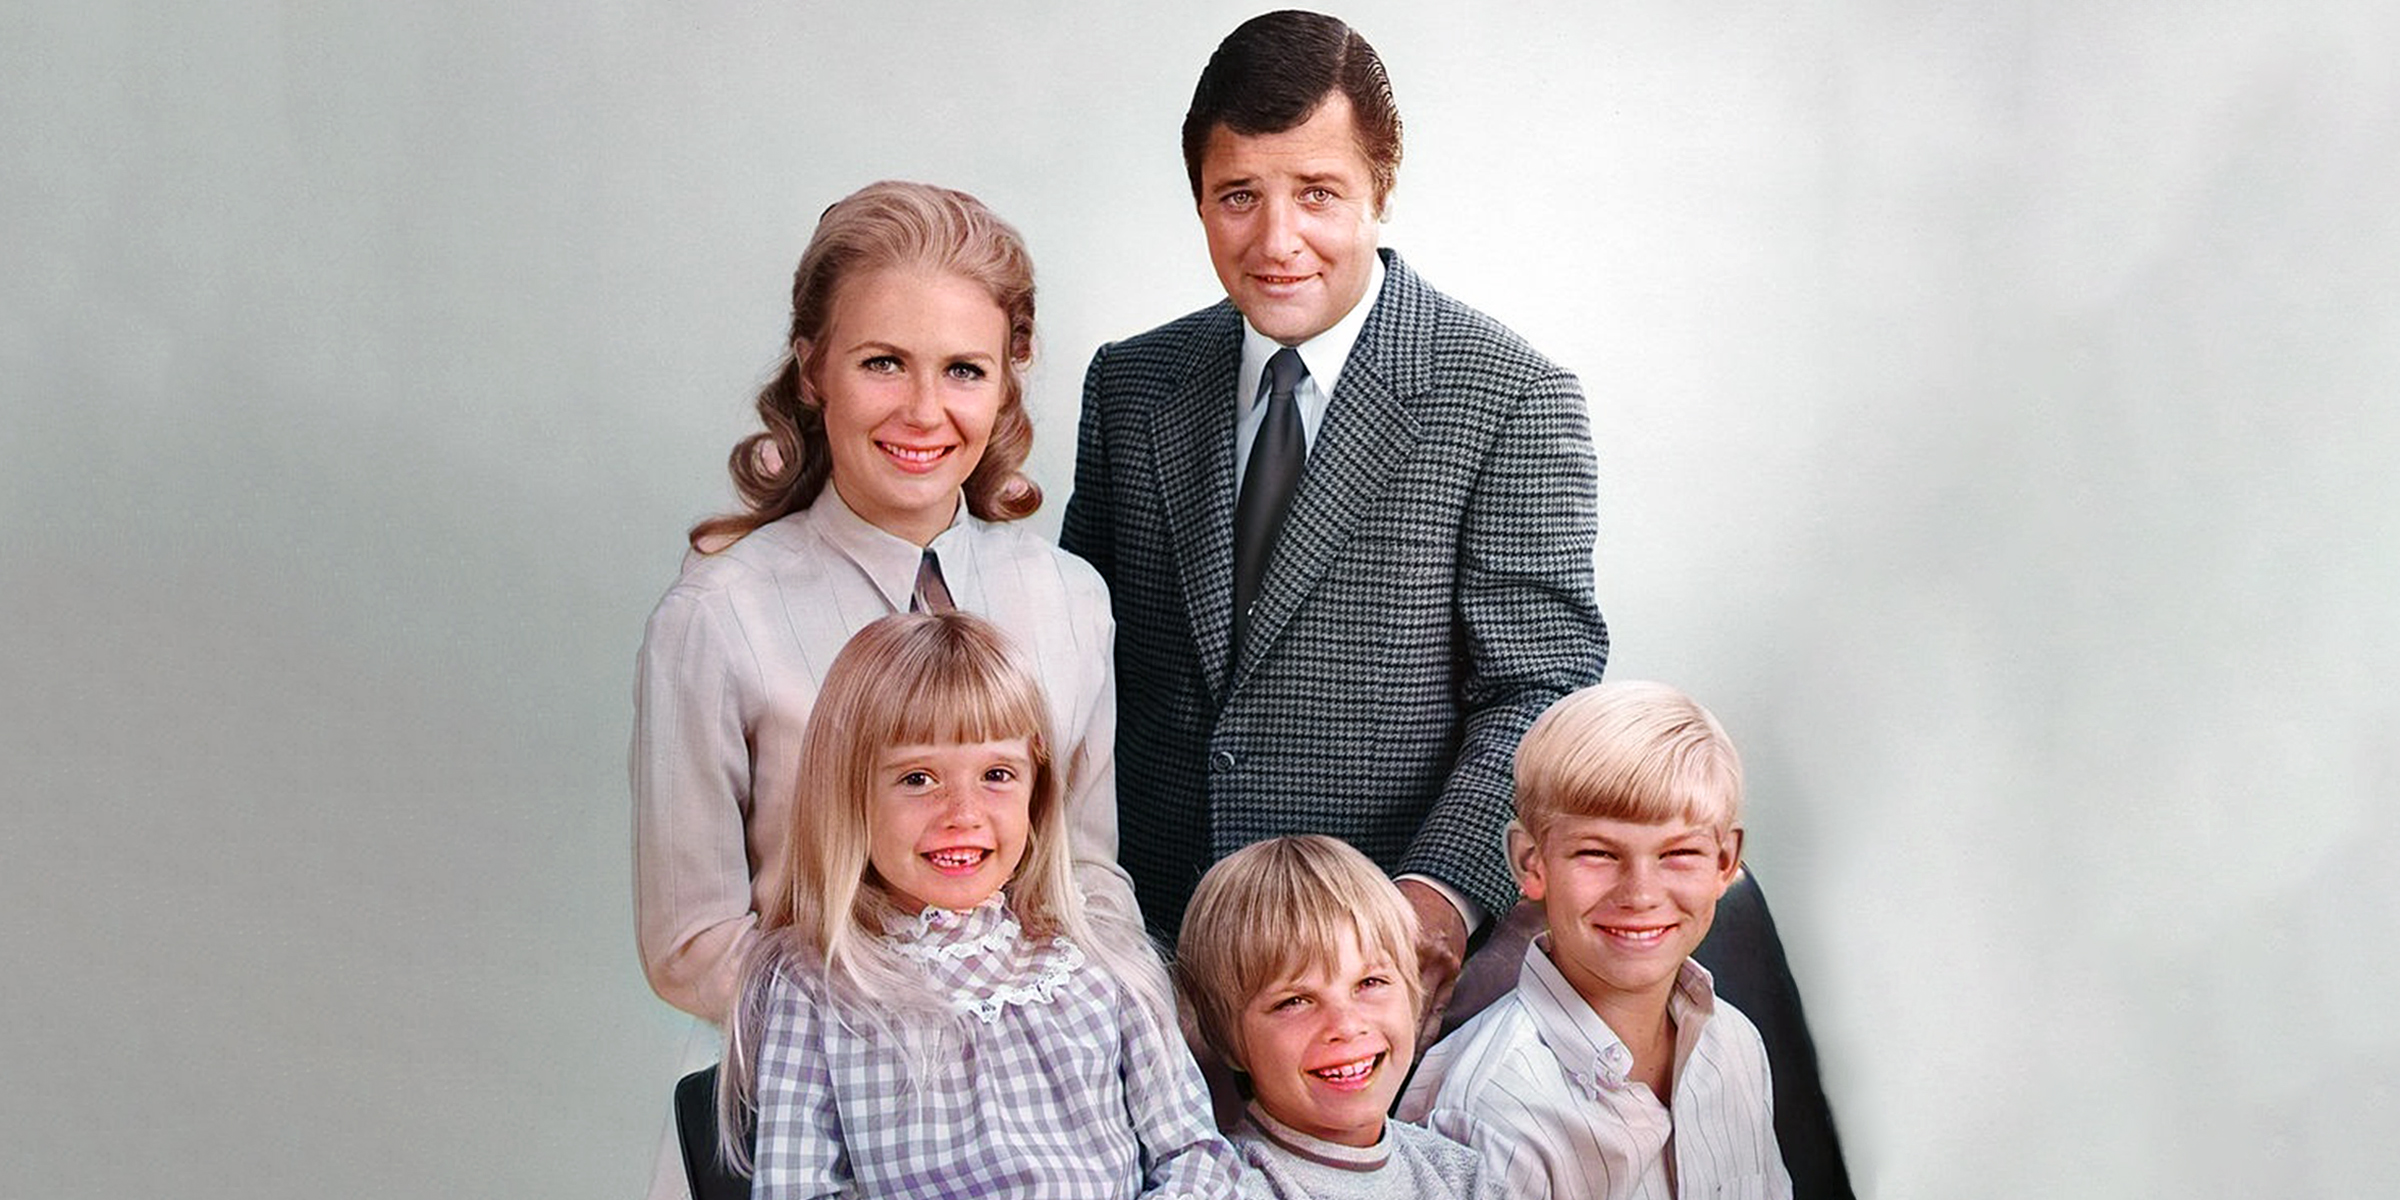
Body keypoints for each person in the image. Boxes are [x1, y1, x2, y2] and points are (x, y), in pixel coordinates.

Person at [1057, 8, 1607, 1041]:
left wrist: (1434, 900)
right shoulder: (1131, 387)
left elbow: (1540, 688)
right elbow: (1077, 656)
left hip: (1379, 981)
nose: (1276, 241)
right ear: (1199, 201)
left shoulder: (1510, 398)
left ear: (1380, 189)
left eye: (1317, 193)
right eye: (1237, 197)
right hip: (1147, 969)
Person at [630, 180, 1137, 1198]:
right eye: (881, 363)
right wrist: (915, 1037)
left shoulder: (1069, 601)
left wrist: (1100, 1032)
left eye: (962, 369)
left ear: (1007, 382)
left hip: (1043, 1136)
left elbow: (1089, 879)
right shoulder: (718, 616)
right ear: (813, 368)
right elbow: (688, 942)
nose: (923, 410)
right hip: (802, 1127)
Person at [718, 611, 1241, 1196]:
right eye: (918, 778)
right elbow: (798, 1187)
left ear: (1037, 789)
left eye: (996, 774)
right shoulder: (817, 984)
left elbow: (1196, 1155)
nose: (962, 814)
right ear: (850, 793)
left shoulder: (1098, 960)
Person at [1399, 681, 1791, 1200]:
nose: (1640, 893)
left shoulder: (1736, 1047)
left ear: (1725, 862)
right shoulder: (1494, 1110)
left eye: (1678, 854)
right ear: (1530, 862)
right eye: (1598, 854)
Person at [1175, 835, 1503, 1200]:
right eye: (1295, 1001)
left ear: (1414, 993)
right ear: (1226, 1040)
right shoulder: (1224, 1188)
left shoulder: (1462, 1177)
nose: (1345, 1026)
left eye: (1370, 982)